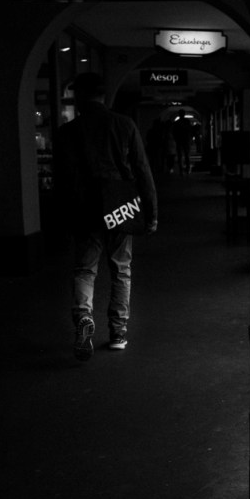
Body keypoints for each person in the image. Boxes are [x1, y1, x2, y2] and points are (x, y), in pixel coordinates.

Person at [54, 72, 158, 361]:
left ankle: (83, 316)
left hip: (84, 210)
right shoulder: (124, 125)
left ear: (78, 97)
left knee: (85, 270)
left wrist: (62, 219)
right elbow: (142, 171)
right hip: (119, 207)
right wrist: (151, 214)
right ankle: (118, 333)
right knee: (121, 269)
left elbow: (61, 180)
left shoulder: (67, 131)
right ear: (104, 96)